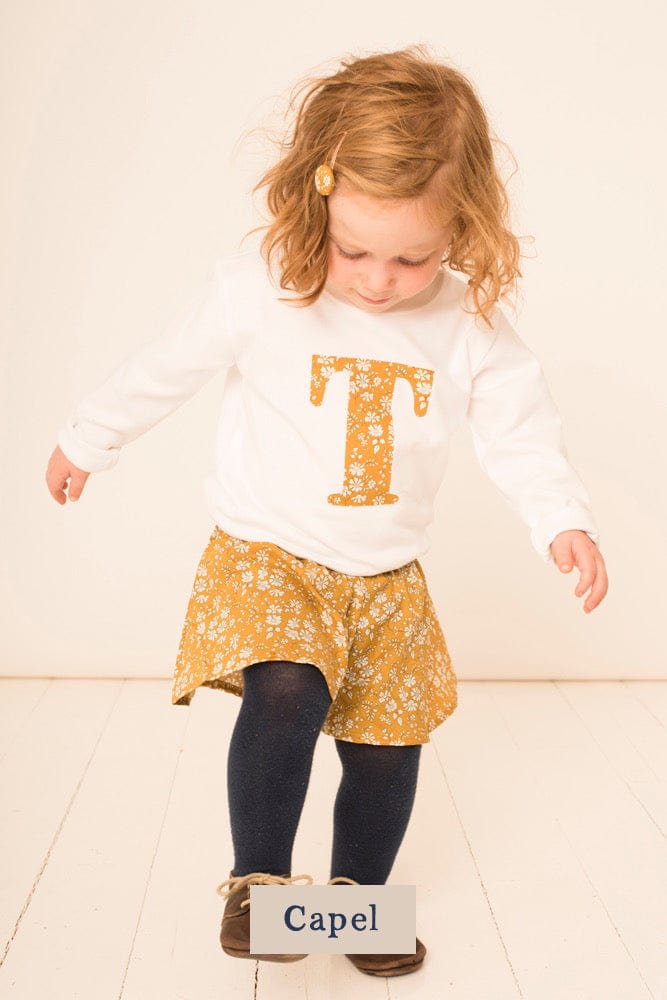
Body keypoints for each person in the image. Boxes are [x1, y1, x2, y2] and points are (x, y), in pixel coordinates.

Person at [45, 45, 609, 977]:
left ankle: (354, 909)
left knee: (388, 746)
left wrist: (561, 520)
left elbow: (520, 429)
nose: (379, 280)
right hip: (267, 555)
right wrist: (88, 437)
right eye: (354, 251)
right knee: (287, 691)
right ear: (315, 201)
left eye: (412, 258)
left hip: (386, 578)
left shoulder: (467, 323)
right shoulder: (260, 287)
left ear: (462, 224)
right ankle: (259, 886)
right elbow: (164, 367)